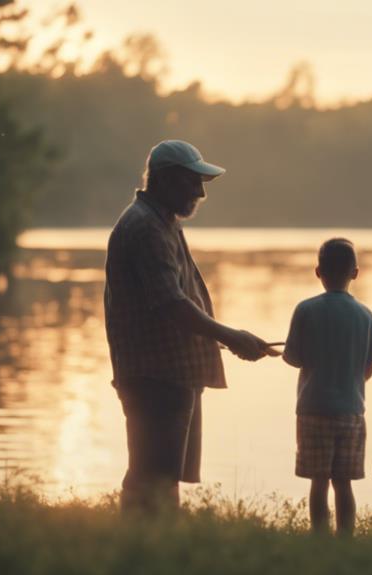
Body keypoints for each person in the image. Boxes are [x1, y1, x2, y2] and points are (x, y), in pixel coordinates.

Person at [104, 139, 278, 513]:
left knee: (162, 476)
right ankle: (144, 549)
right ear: (166, 180)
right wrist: (231, 336)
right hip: (156, 376)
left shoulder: (162, 220)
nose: (201, 192)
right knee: (152, 477)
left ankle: (154, 547)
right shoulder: (146, 227)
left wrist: (228, 339)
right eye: (193, 182)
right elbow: (170, 303)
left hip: (171, 373)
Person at [283, 238, 372, 535]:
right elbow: (369, 368)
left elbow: (293, 358)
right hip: (352, 412)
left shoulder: (305, 309)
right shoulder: (366, 315)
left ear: (318, 272)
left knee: (319, 480)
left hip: (313, 410)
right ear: (355, 273)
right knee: (343, 482)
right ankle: (346, 539)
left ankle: (319, 538)